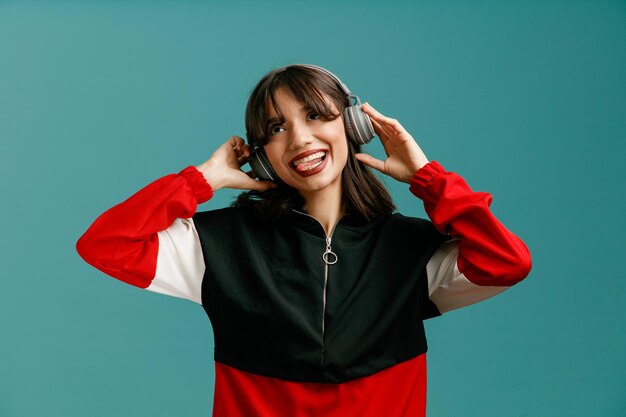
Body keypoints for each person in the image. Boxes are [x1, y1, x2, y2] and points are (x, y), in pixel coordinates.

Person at [76, 64, 532, 417]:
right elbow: (106, 244)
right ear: (262, 156)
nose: (299, 138)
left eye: (315, 115)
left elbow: (506, 264)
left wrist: (431, 181)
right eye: (276, 128)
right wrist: (202, 180)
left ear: (353, 126)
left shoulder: (412, 249)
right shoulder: (216, 245)